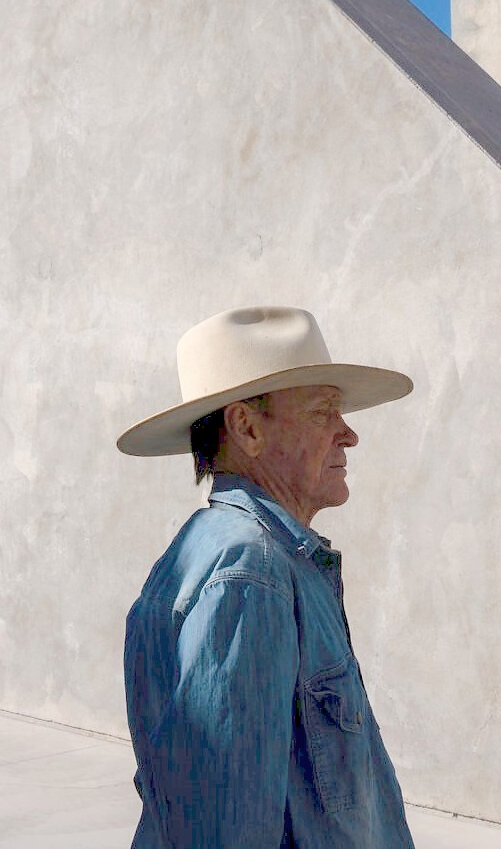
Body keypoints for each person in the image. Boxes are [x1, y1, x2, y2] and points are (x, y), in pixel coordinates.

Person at [117, 305, 416, 848]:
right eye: (324, 411)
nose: (348, 434)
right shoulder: (250, 572)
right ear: (248, 427)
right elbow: (225, 830)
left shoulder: (261, 557)